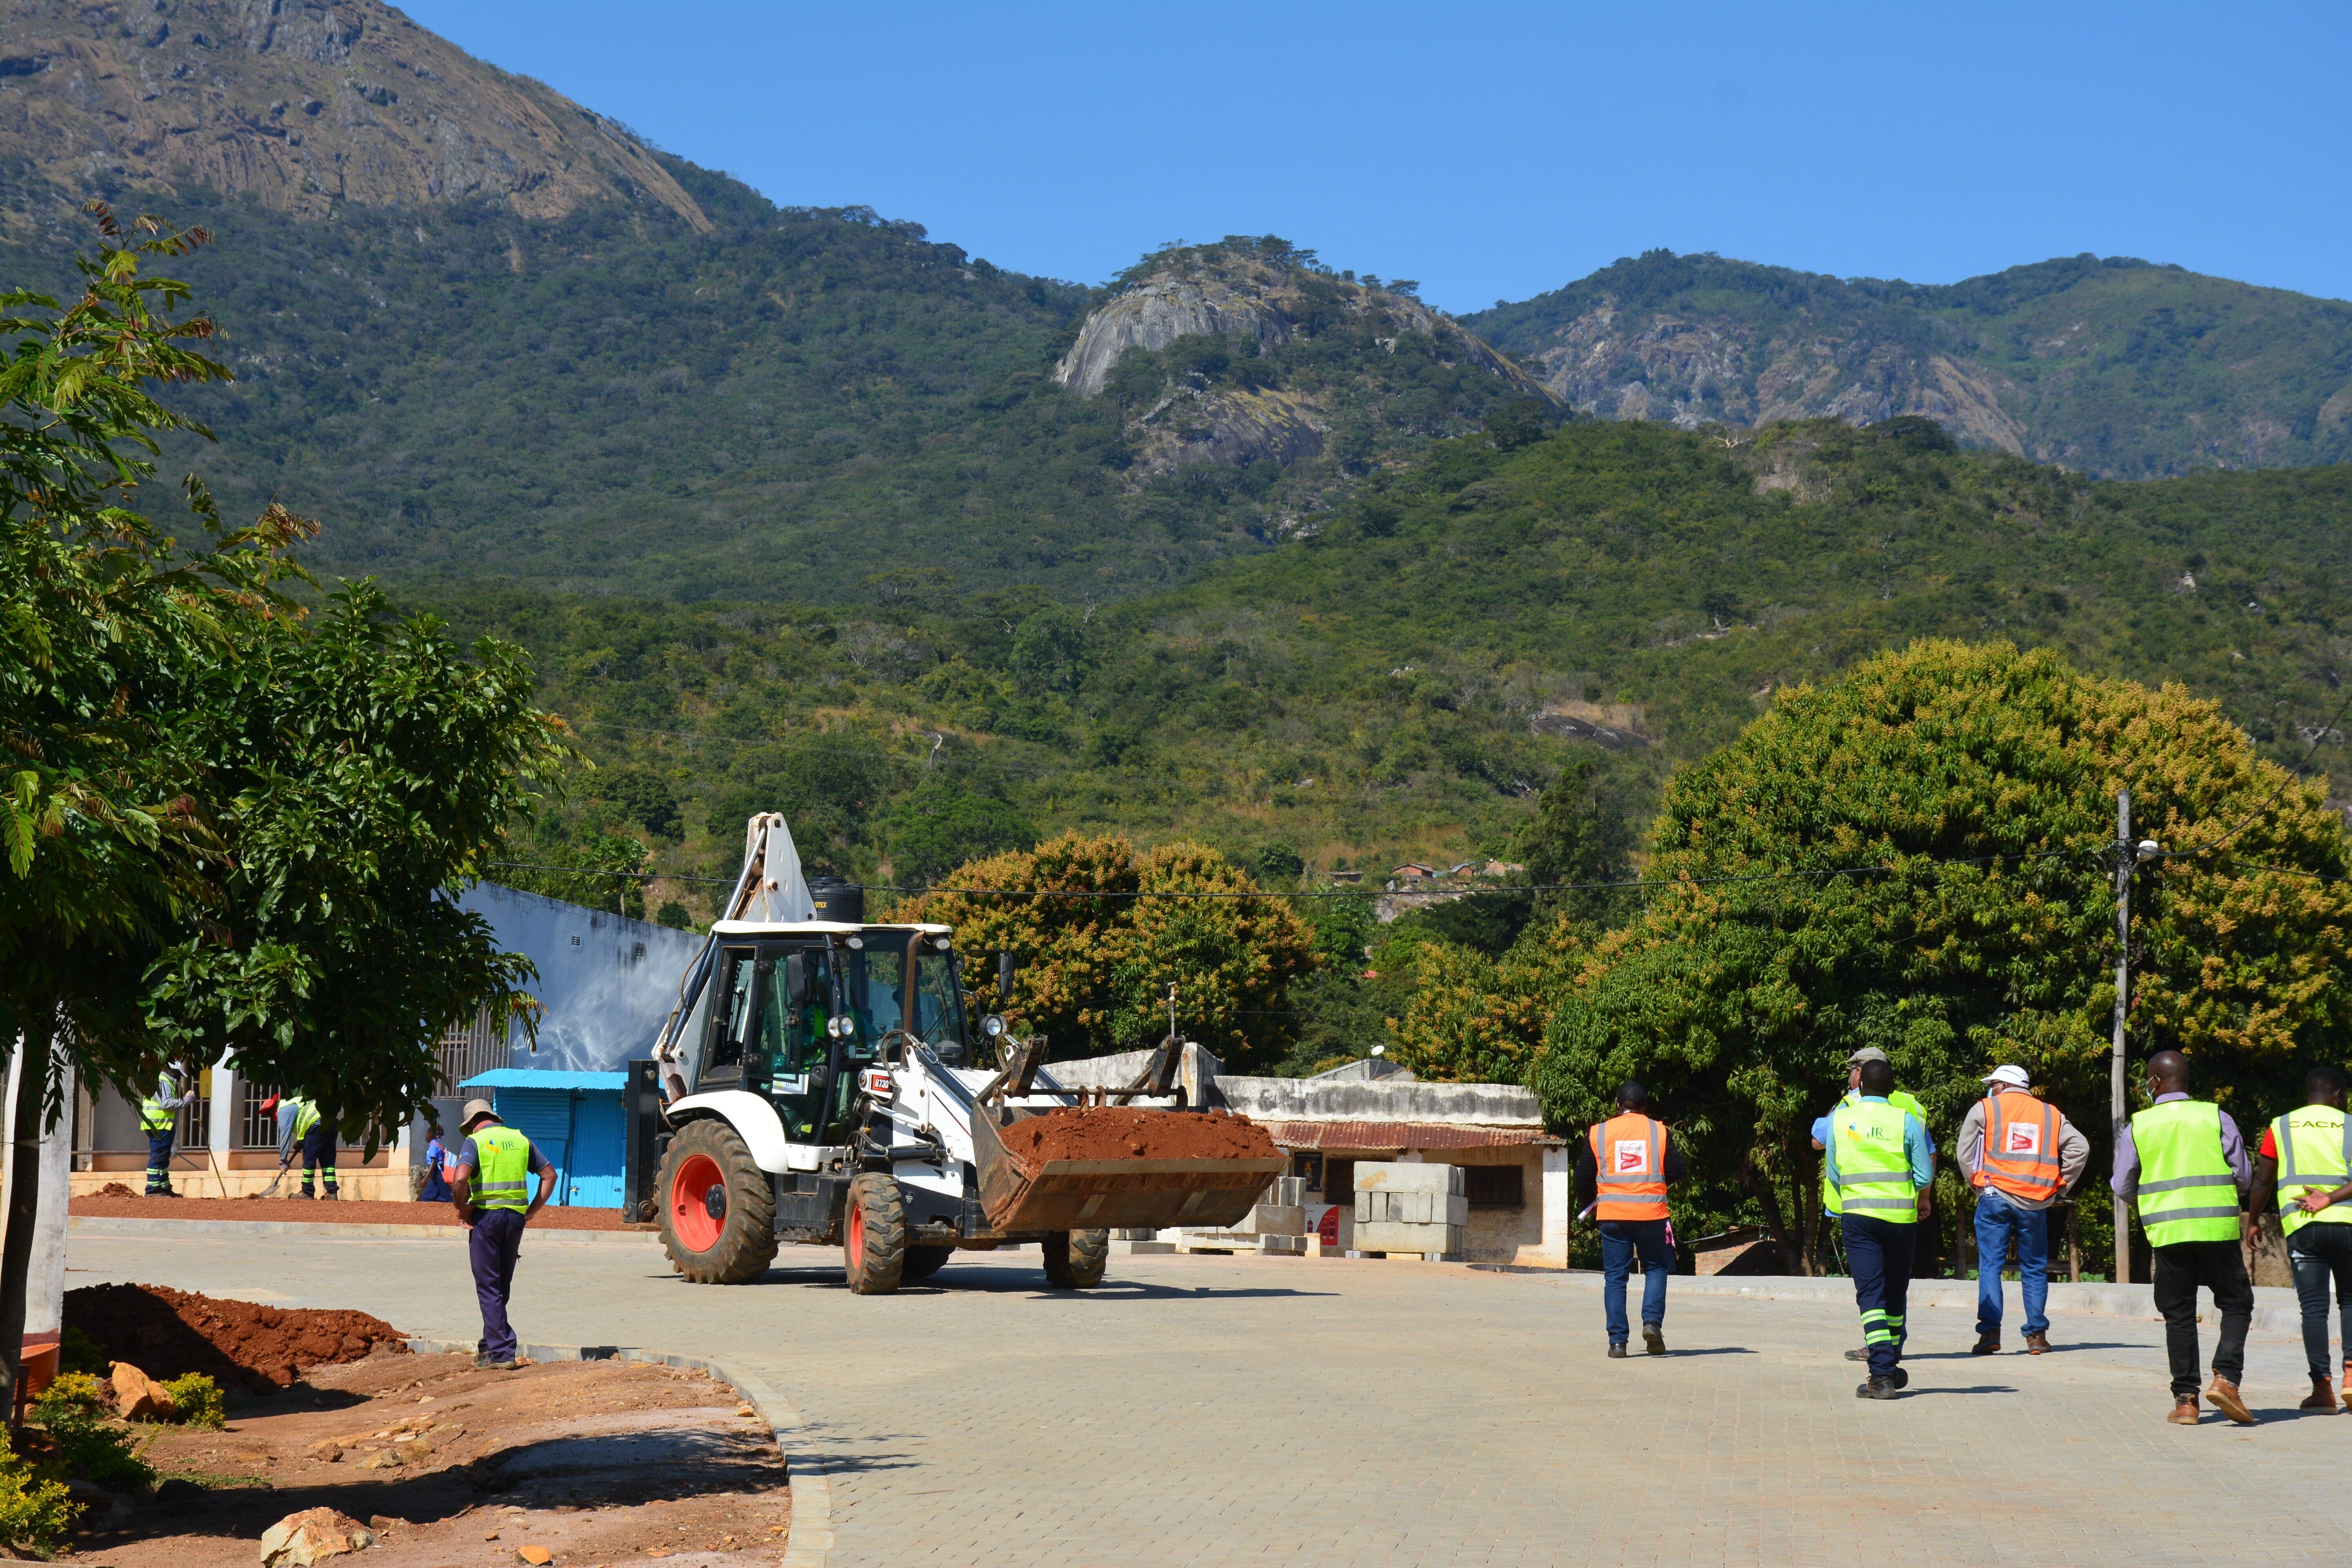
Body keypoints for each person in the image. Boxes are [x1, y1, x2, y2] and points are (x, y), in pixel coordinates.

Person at [2113, 1049, 2255, 1426]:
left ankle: (2187, 1402)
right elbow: (2243, 1175)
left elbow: (2122, 1184)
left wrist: (2151, 1200)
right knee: (2237, 1302)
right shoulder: (2215, 1116)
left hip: (2169, 1231)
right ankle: (2226, 1380)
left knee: (2178, 1314)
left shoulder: (2139, 1126)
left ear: (2155, 1082)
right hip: (2217, 1228)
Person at [1956, 1064, 2089, 1356]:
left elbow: (1964, 1153)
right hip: (2035, 1200)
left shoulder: (1985, 1109)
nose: (1990, 1089)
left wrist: (1978, 1183)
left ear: (2003, 1085)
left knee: (1991, 1265)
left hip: (1994, 1196)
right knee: (2035, 1267)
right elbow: (2080, 1148)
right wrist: (2060, 1185)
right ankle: (2037, 1338)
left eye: (1993, 1084)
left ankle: (1990, 1334)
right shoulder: (2050, 1114)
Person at [1813, 1047, 1932, 1364]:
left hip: (1859, 1216)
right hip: (1901, 1218)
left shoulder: (1843, 1115)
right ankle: (1890, 1357)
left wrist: (1856, 1192)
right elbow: (1924, 1173)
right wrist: (1915, 1195)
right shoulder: (1908, 1115)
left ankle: (1881, 1370)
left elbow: (1833, 1169)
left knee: (1871, 1294)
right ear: (1892, 1087)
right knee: (1895, 1293)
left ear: (1860, 1082)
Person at [2248, 1065, 2352, 1413]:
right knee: (2351, 1302)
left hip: (2303, 1229)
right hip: (2349, 1225)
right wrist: (2332, 1198)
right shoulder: (2350, 1124)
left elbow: (2263, 1180)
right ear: (2337, 1095)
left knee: (2314, 1309)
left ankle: (2322, 1390)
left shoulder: (2281, 1126)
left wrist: (2252, 1221)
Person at [446, 1097, 561, 1371]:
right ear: (493, 1117)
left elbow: (461, 1178)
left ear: (473, 1123)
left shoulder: (475, 1142)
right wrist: (531, 1212)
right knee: (500, 1286)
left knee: (488, 1285)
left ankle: (503, 1352)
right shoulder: (520, 1140)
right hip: (514, 1220)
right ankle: (489, 1346)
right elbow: (550, 1175)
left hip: (486, 1219)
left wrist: (461, 1208)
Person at [1576, 1081, 1686, 1358]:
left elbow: (1582, 1178)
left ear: (1617, 1106)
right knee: (1656, 1268)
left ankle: (1618, 1344)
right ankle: (1651, 1323)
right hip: (1651, 1213)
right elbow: (1677, 1170)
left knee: (1615, 1277)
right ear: (1645, 1108)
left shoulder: (1599, 1133)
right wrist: (1656, 1184)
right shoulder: (1659, 1131)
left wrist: (1590, 1204)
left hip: (1612, 1215)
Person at [138, 1067, 197, 1197]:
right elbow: (166, 1104)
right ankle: (152, 1190)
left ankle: (164, 1189)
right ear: (169, 1070)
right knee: (158, 1157)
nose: (179, 1077)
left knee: (163, 1158)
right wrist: (187, 1100)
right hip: (160, 1125)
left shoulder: (164, 1081)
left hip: (161, 1125)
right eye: (177, 1073)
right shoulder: (162, 1081)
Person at [417, 1120, 454, 1203]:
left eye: (427, 1134)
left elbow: (433, 1162)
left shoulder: (433, 1147)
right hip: (439, 1174)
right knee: (444, 1197)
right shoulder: (438, 1145)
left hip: (438, 1174)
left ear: (430, 1135)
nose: (425, 1136)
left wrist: (426, 1178)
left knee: (427, 1198)